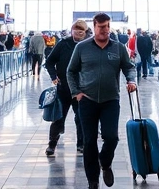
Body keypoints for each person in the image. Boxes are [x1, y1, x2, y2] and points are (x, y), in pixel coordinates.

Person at [66, 13, 137, 189]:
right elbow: (70, 71)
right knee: (89, 141)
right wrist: (76, 93)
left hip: (111, 100)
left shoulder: (118, 48)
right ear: (94, 26)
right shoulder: (82, 48)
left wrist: (131, 80)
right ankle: (93, 180)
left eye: (107, 26)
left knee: (111, 137)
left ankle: (105, 163)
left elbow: (129, 67)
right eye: (101, 27)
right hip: (87, 100)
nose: (105, 30)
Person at [44, 19, 88, 156]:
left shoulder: (89, 45)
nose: (79, 33)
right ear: (71, 30)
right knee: (58, 117)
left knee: (81, 117)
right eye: (76, 30)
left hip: (81, 88)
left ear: (85, 32)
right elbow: (49, 61)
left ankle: (81, 144)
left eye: (82, 31)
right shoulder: (63, 44)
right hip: (63, 87)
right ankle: (52, 144)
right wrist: (53, 76)